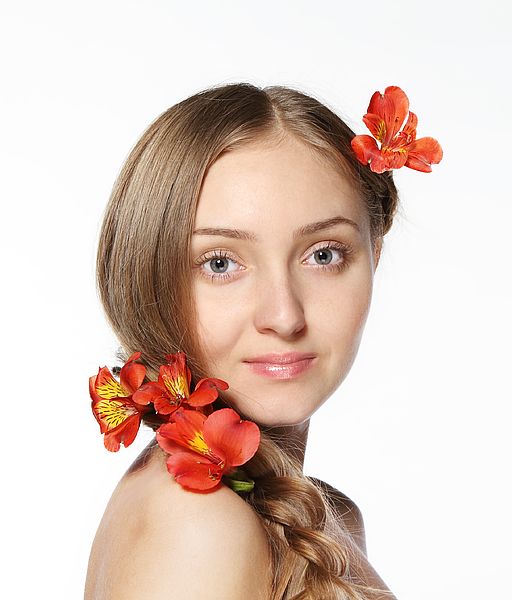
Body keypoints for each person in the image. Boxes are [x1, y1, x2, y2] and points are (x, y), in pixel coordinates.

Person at [85, 82, 441, 599]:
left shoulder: (325, 518)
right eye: (220, 263)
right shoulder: (200, 525)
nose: (284, 315)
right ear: (149, 276)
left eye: (323, 254)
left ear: (374, 254)